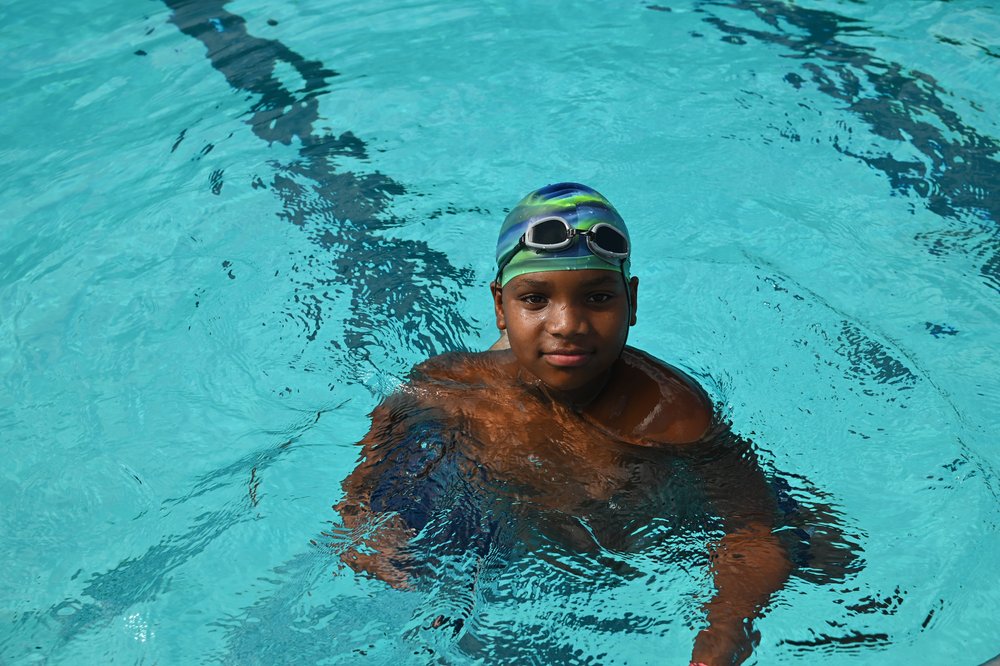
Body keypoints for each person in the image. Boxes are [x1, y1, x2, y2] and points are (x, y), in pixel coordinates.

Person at [336, 183, 793, 665]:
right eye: (535, 299)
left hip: (615, 559)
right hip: (496, 526)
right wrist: (364, 524)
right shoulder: (451, 385)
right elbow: (374, 462)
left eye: (597, 297)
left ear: (632, 301)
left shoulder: (670, 414)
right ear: (500, 307)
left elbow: (754, 531)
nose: (567, 324)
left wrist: (724, 631)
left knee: (820, 551)